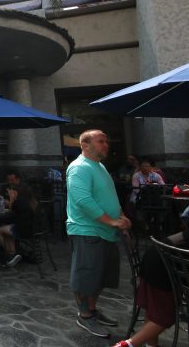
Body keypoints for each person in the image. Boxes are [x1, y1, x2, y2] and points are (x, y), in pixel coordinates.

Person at [66, 129, 132, 338]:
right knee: (86, 276)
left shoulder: (99, 166)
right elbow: (83, 201)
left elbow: (108, 196)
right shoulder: (79, 167)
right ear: (85, 145)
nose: (106, 145)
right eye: (100, 141)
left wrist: (121, 216)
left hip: (106, 231)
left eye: (106, 141)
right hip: (87, 230)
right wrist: (111, 220)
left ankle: (92, 310)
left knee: (101, 277)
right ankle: (85, 315)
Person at [112, 229, 189, 347]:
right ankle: (125, 345)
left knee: (154, 311)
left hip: (153, 259)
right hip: (162, 268)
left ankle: (150, 345)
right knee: (164, 318)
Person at [0, 184, 36, 268]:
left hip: (22, 230)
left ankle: (7, 255)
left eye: (14, 191)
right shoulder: (31, 201)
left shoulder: (19, 201)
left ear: (18, 192)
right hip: (32, 229)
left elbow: (11, 210)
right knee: (7, 231)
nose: (12, 192)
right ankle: (13, 255)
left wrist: (12, 198)